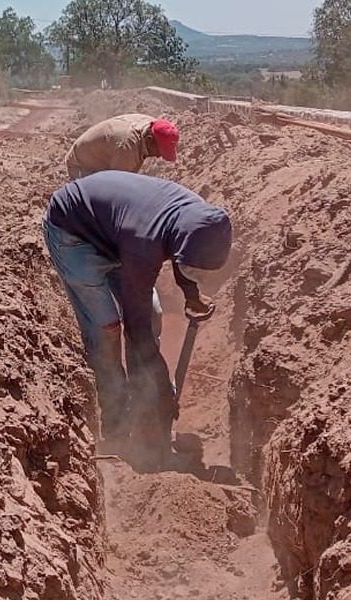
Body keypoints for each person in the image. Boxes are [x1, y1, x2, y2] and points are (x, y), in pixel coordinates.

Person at [42, 170, 230, 462]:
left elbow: (183, 255)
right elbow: (135, 322)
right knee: (107, 327)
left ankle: (144, 412)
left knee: (154, 313)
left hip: (115, 233)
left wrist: (191, 294)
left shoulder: (197, 217)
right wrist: (161, 383)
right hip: (73, 231)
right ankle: (116, 425)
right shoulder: (146, 242)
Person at [64, 113, 179, 180]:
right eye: (160, 151)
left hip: (104, 159)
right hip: (82, 166)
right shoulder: (127, 148)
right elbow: (117, 187)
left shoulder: (152, 126)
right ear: (149, 140)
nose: (159, 156)